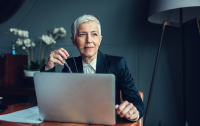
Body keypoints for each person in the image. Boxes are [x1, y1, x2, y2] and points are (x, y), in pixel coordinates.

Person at [41, 14, 144, 121]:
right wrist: (48, 68)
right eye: (82, 34)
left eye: (94, 34)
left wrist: (134, 113)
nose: (89, 40)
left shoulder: (118, 64)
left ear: (100, 39)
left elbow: (137, 102)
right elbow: (51, 103)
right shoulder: (69, 65)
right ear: (73, 41)